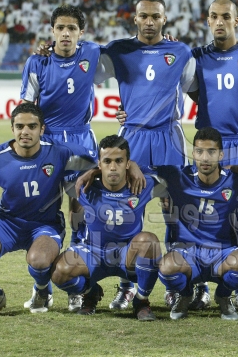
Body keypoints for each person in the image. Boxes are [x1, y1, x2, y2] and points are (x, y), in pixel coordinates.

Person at [96, 0, 196, 309]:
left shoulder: (181, 51)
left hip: (169, 137)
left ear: (164, 19)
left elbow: (193, 88)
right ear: (135, 19)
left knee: (175, 212)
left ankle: (175, 283)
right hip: (133, 137)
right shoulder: (118, 50)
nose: (149, 22)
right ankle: (127, 285)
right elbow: (87, 75)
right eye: (144, 16)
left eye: (155, 16)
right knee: (126, 212)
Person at [0, 103, 96, 316]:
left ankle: (42, 290)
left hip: (45, 225)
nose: (25, 132)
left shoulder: (60, 151)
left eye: (32, 126)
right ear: (12, 129)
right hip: (7, 222)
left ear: (42, 129)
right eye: (20, 126)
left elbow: (104, 159)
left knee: (39, 260)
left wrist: (125, 167)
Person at [186, 0, 238, 312]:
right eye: (213, 16)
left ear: (237, 20)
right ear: (207, 21)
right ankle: (201, 288)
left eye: (225, 16)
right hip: (209, 146)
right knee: (201, 215)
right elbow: (192, 93)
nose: (219, 21)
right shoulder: (196, 57)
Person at [20, 4, 101, 312]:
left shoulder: (93, 53)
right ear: (52, 31)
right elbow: (26, 107)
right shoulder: (37, 61)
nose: (66, 33)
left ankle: (74, 277)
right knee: (44, 209)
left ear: (81, 32)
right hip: (48, 142)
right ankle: (42, 285)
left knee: (79, 206)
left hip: (81, 140)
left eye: (72, 28)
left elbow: (133, 53)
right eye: (60, 28)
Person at [51, 135, 162, 319]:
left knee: (149, 241)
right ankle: (90, 292)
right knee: (58, 272)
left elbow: (173, 175)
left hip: (128, 253)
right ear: (99, 163)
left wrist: (136, 166)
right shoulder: (84, 185)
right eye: (107, 161)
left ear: (127, 163)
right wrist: (92, 171)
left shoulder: (142, 184)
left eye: (119, 161)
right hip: (93, 251)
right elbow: (62, 169)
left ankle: (141, 301)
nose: (113, 167)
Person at [156, 127, 238, 320]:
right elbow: (138, 168)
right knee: (167, 267)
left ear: (221, 155)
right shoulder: (177, 176)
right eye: (199, 151)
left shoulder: (237, 180)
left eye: (211, 152)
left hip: (223, 252)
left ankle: (223, 296)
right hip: (187, 252)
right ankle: (185, 295)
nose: (205, 158)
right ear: (193, 154)